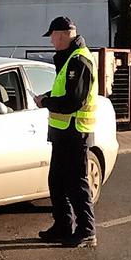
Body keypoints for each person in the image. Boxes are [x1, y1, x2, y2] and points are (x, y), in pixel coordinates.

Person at [34, 16, 98, 248]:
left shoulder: (79, 60)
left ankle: (86, 230)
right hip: (63, 132)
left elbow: (73, 101)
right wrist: (48, 98)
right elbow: (66, 92)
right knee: (57, 181)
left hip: (75, 132)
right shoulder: (69, 58)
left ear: (61, 34)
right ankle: (62, 226)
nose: (51, 42)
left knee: (76, 183)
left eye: (52, 36)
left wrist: (46, 102)